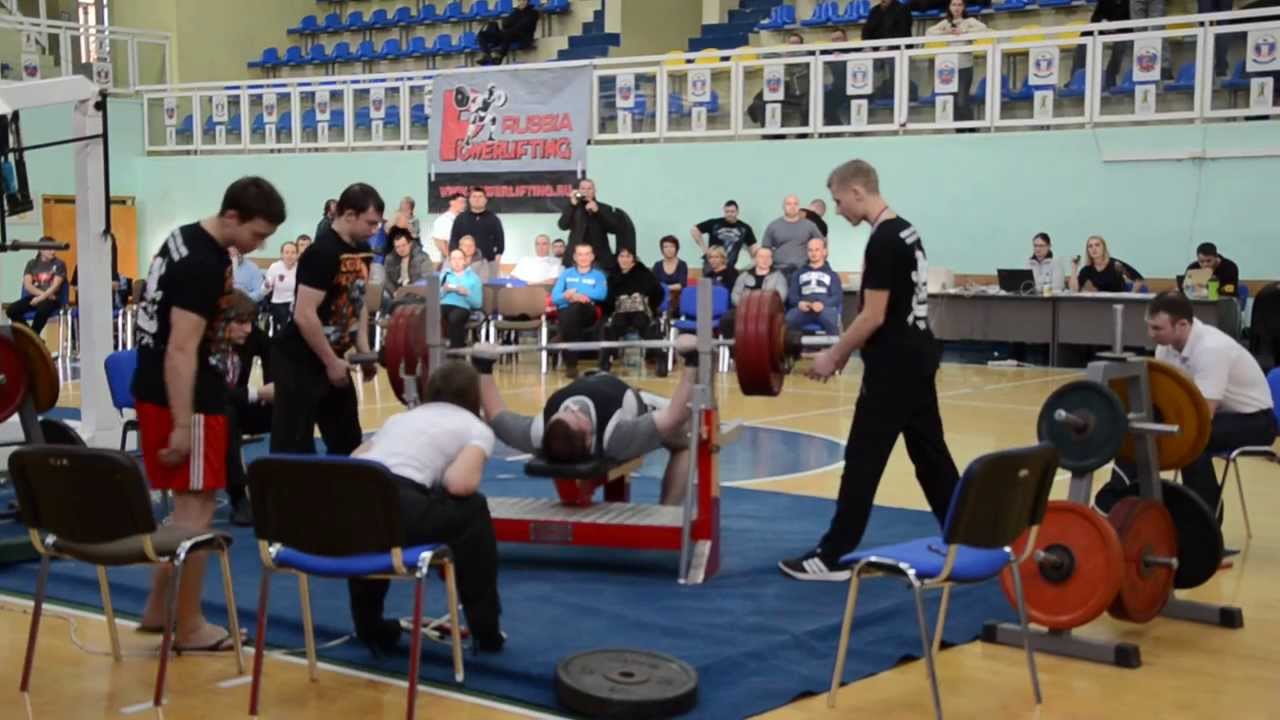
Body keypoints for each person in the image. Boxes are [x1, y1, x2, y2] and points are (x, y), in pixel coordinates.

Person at [781, 159, 960, 581]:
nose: (838, 210)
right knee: (930, 454)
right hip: (917, 357)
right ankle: (966, 536)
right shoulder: (907, 231)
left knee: (863, 459)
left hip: (894, 367)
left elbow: (873, 314)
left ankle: (831, 554)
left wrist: (835, 355)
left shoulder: (883, 241)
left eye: (839, 200)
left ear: (858, 192)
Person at [132, 176, 285, 649]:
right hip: (186, 396)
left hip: (163, 386)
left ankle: (160, 610)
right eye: (257, 235)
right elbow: (181, 347)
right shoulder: (203, 261)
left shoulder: (183, 236)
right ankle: (191, 625)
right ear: (232, 217)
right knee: (196, 511)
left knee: (186, 510)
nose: (260, 245)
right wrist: (182, 423)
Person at [349, 361, 504, 655]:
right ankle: (486, 631)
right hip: (399, 509)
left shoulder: (399, 418)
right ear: (474, 397)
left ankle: (369, 626)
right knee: (474, 510)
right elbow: (459, 485)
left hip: (352, 508)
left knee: (370, 513)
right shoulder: (476, 428)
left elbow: (354, 460)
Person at [1095, 291, 1277, 517]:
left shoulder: (1211, 349)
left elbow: (1203, 415)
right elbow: (1163, 400)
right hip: (1213, 416)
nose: (1150, 335)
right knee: (1140, 425)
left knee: (1191, 440)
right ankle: (1120, 492)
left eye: (1157, 328)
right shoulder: (1166, 347)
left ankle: (1206, 523)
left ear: (1182, 324)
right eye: (1149, 326)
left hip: (1255, 422)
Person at [474, 334, 702, 505]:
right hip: (640, 402)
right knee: (687, 440)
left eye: (564, 411)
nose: (573, 406)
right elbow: (676, 414)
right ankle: (668, 512)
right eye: (575, 414)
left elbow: (496, 416)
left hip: (594, 379)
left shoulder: (539, 431)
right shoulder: (615, 436)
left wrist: (483, 368)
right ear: (588, 438)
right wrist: (692, 361)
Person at [270, 183, 383, 457]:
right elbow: (304, 314)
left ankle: (341, 497)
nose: (374, 229)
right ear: (348, 215)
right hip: (299, 360)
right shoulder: (321, 253)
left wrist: (365, 352)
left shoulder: (363, 250)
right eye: (370, 222)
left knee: (348, 440)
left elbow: (359, 303)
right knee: (295, 446)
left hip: (334, 358)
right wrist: (330, 361)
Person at [221, 290, 274, 528]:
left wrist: (274, 386)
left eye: (250, 322)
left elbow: (274, 353)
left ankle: (287, 482)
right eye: (241, 323)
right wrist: (258, 393)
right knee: (226, 415)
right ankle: (239, 496)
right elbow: (214, 394)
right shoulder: (204, 344)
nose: (248, 329)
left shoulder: (252, 337)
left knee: (289, 407)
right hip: (205, 412)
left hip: (240, 404)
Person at [600, 247, 666, 376]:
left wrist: (651, 308)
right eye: (621, 256)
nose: (624, 259)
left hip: (640, 310)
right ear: (617, 258)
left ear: (633, 259)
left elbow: (658, 292)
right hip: (620, 312)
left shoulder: (644, 273)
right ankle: (604, 364)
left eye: (628, 256)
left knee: (647, 326)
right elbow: (608, 299)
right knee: (610, 328)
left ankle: (661, 359)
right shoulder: (612, 276)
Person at [551, 243, 608, 378]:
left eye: (587, 254)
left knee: (575, 309)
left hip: (589, 312)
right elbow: (555, 297)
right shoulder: (566, 274)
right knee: (571, 314)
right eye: (580, 254)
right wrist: (567, 296)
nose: (584, 257)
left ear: (592, 257)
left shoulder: (598, 275)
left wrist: (574, 293)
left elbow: (601, 294)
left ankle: (563, 340)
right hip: (567, 311)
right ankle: (571, 364)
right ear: (575, 257)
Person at [925, 0, 987, 124]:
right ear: (949, 7)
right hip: (950, 69)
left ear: (963, 7)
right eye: (954, 5)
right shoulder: (946, 23)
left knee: (962, 101)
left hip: (965, 67)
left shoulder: (969, 22)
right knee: (952, 102)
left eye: (959, 5)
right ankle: (959, 131)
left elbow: (983, 29)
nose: (956, 8)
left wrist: (964, 32)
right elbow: (929, 32)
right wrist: (945, 32)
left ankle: (971, 130)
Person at [721, 246, 787, 339]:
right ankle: (730, 350)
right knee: (726, 319)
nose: (765, 260)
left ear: (772, 260)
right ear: (755, 259)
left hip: (769, 311)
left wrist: (761, 307)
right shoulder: (744, 276)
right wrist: (747, 306)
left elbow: (781, 297)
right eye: (761, 257)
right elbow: (735, 295)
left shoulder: (779, 277)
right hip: (744, 310)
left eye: (768, 257)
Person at [558, 178, 622, 272]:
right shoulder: (572, 207)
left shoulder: (604, 208)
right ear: (578, 191)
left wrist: (598, 212)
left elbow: (614, 228)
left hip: (599, 260)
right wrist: (572, 206)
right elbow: (562, 225)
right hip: (575, 259)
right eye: (583, 189)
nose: (586, 191)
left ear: (595, 191)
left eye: (589, 189)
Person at [785, 238, 843, 335]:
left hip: (824, 309)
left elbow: (837, 297)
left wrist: (823, 304)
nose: (813, 253)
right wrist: (799, 303)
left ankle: (832, 349)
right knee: (789, 319)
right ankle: (794, 349)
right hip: (803, 308)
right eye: (810, 250)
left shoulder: (832, 275)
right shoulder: (798, 274)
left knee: (832, 320)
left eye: (817, 250)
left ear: (824, 252)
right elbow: (792, 296)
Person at [5, 244, 67, 335]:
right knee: (11, 310)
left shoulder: (59, 264)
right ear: (41, 250)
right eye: (50, 249)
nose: (53, 251)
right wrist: (40, 297)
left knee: (43, 309)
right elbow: (28, 286)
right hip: (36, 297)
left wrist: (40, 298)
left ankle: (33, 338)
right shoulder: (31, 264)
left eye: (54, 249)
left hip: (52, 299)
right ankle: (32, 337)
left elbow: (55, 287)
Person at [761, 194, 824, 279]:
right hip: (779, 270)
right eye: (789, 204)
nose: (792, 206)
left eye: (795, 204)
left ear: (799, 207)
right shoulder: (773, 226)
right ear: (783, 207)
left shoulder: (810, 225)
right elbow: (765, 250)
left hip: (804, 270)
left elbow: (821, 245)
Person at [450, 187, 504, 282]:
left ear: (485, 200)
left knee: (488, 294)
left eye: (480, 196)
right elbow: (454, 240)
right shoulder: (460, 219)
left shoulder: (494, 219)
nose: (477, 199)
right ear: (469, 200)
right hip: (464, 265)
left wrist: (496, 262)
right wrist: (457, 260)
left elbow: (500, 243)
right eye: (474, 196)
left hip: (488, 263)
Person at [1074, 0, 1129, 89]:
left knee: (1122, 44)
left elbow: (1132, 18)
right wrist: (1102, 22)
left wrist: (1117, 26)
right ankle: (1076, 78)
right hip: (1104, 28)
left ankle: (1110, 78)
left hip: (1124, 30)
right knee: (1086, 34)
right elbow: (1095, 17)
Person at [691, 200, 757, 269]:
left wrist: (754, 261)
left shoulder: (745, 228)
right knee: (709, 280)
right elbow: (694, 230)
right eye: (727, 211)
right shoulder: (714, 223)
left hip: (730, 267)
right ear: (724, 212)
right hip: (711, 265)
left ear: (737, 212)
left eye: (732, 211)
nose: (729, 214)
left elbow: (753, 247)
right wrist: (705, 249)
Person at [1069, 235, 1143, 293]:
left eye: (1097, 245)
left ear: (1104, 248)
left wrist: (1130, 296)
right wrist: (1074, 269)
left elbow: (1139, 279)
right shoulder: (1087, 269)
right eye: (1090, 246)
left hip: (1119, 303)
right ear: (1088, 250)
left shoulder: (1116, 265)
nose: (1094, 249)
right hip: (1101, 304)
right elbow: (1074, 290)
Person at [440, 248, 483, 349]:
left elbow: (478, 303)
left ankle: (456, 353)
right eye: (453, 259)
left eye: (459, 258)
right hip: (443, 305)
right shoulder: (444, 276)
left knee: (455, 318)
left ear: (465, 261)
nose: (456, 262)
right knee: (430, 316)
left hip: (462, 307)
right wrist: (444, 290)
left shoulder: (473, 278)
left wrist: (467, 293)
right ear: (450, 261)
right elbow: (434, 297)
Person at [477, 0, 539, 65]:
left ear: (527, 2)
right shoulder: (515, 12)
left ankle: (499, 57)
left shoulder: (533, 13)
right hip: (509, 35)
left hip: (523, 37)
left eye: (524, 1)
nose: (522, 2)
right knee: (482, 34)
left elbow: (524, 25)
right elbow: (505, 24)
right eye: (520, 1)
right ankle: (487, 54)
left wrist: (510, 27)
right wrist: (517, 12)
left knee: (508, 33)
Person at [384, 226, 431, 298]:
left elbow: (427, 279)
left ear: (410, 244)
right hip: (396, 293)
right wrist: (394, 292)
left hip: (416, 294)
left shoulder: (422, 258)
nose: (401, 249)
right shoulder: (390, 259)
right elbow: (386, 279)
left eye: (403, 245)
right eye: (397, 247)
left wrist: (409, 292)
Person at [263, 240, 299, 332]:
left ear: (297, 255)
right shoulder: (275, 267)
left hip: (295, 303)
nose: (290, 255)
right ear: (282, 255)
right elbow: (264, 291)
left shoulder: (299, 268)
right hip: (278, 303)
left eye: (293, 252)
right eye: (286, 252)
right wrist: (267, 285)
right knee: (284, 320)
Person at [431, 192, 465, 267]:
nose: (463, 205)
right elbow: (439, 241)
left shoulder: (464, 219)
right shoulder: (442, 220)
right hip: (449, 258)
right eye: (461, 202)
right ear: (452, 202)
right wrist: (450, 257)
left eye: (464, 203)